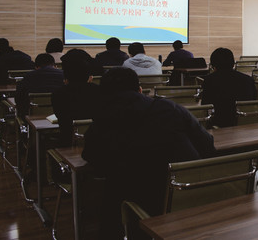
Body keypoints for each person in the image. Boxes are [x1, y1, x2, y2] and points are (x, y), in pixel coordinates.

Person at [82, 67, 215, 238]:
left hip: (142, 211)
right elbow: (207, 145)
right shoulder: (170, 108)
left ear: (104, 95)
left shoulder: (101, 122)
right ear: (140, 90)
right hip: (191, 199)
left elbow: (95, 163)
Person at [52, 49, 100, 146]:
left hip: (67, 141)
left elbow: (60, 116)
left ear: (65, 78)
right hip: (97, 141)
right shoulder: (99, 91)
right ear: (89, 77)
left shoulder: (59, 93)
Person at [200, 47, 255, 128]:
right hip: (246, 123)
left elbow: (205, 105)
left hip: (220, 125)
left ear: (213, 65)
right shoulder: (248, 79)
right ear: (233, 62)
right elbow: (253, 101)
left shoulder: (209, 80)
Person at [15, 53, 64, 118]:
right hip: (59, 117)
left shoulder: (29, 76)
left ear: (36, 67)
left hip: (32, 118)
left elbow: (19, 99)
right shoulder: (63, 75)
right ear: (55, 66)